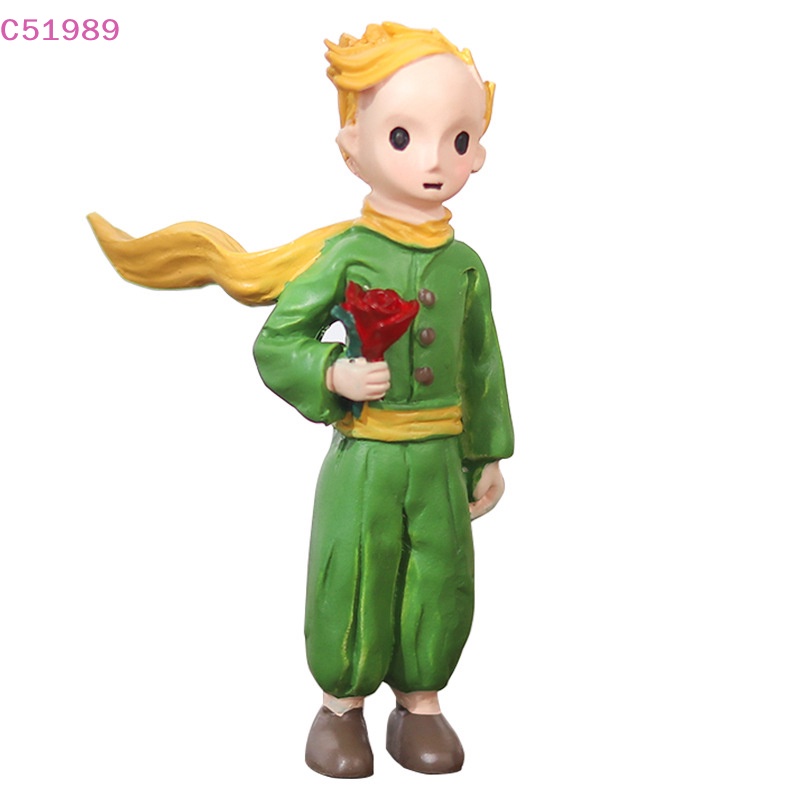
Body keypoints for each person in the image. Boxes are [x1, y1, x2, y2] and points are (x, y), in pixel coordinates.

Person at [88, 21, 513, 779]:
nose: (432, 161)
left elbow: (482, 361)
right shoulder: (347, 254)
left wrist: (487, 452)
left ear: (477, 150)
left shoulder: (467, 268)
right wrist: (333, 374)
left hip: (438, 454)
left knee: (441, 571)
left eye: (456, 140)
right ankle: (340, 705)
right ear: (353, 145)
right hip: (367, 454)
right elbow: (278, 341)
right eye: (403, 136)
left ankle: (420, 701)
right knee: (356, 568)